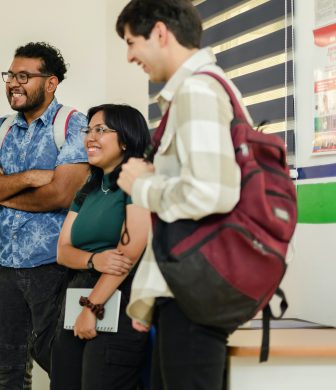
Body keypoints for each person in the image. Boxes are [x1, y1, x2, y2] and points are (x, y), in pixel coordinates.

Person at [115, 0, 250, 388]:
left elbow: (210, 194)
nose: (128, 57)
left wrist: (141, 183)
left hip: (195, 293)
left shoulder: (197, 92)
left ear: (159, 32)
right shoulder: (195, 91)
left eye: (130, 42)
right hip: (185, 290)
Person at [0, 41, 89, 389]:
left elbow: (61, 194)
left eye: (24, 75)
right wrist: (29, 178)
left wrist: (3, 191)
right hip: (4, 270)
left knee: (61, 367)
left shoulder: (73, 124)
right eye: (10, 75)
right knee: (9, 372)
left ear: (50, 83)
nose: (13, 83)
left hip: (52, 268)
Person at [49, 104, 151, 390]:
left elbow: (127, 254)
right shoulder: (89, 188)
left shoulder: (138, 181)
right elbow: (63, 250)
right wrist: (94, 259)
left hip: (118, 301)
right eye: (88, 130)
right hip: (77, 298)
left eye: (100, 130)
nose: (89, 138)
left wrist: (92, 308)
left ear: (126, 138)